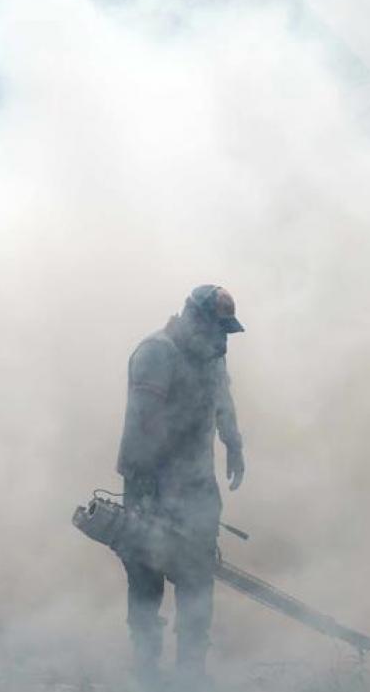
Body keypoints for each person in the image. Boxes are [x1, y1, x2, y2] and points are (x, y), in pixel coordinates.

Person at [116, 284, 246, 689]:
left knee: (198, 580)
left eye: (226, 331)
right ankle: (147, 673)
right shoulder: (157, 353)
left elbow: (221, 398)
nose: (223, 339)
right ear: (195, 320)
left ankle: (190, 674)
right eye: (217, 329)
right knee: (146, 579)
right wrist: (149, 495)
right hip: (149, 483)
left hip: (197, 485)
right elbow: (141, 427)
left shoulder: (209, 355)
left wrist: (234, 443)